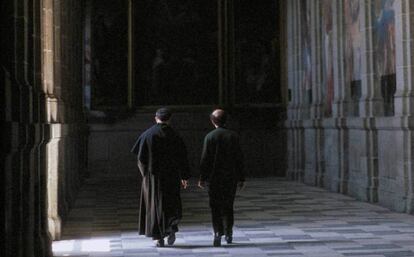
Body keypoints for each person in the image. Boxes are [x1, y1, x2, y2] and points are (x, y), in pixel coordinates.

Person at [131, 108, 191, 247]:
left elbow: (140, 159)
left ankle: (158, 237)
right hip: (171, 176)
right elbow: (182, 158)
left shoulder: (147, 134)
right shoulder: (175, 135)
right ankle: (170, 227)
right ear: (169, 119)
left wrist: (145, 175)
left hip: (153, 177)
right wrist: (184, 176)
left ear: (155, 118)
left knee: (154, 206)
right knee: (170, 203)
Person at [198, 109, 245, 247]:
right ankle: (229, 232)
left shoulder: (210, 137)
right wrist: (241, 177)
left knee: (215, 206)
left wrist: (202, 177)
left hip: (214, 178)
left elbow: (205, 159)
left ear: (213, 121)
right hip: (230, 177)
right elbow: (239, 158)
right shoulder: (233, 136)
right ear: (226, 120)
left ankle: (218, 232)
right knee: (228, 205)